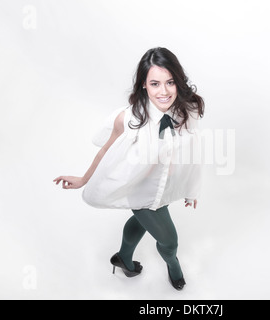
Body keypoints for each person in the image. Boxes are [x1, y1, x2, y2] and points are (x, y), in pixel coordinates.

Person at [53, 47, 205, 291]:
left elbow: (193, 151)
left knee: (142, 221)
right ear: (144, 85)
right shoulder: (130, 119)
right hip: (139, 187)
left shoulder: (187, 110)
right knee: (169, 241)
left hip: (164, 186)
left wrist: (191, 189)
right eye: (155, 83)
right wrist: (83, 179)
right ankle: (173, 264)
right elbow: (105, 151)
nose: (164, 91)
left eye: (170, 82)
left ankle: (124, 258)